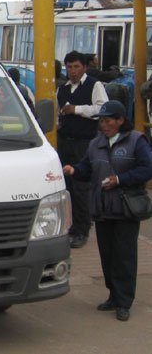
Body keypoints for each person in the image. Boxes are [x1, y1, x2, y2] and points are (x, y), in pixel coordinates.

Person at [62, 100, 152, 322]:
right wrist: (74, 170)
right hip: (102, 208)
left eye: (109, 120)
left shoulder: (136, 141)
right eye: (102, 121)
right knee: (107, 255)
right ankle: (113, 294)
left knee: (124, 256)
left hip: (125, 209)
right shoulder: (96, 144)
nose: (105, 125)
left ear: (121, 120)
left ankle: (124, 302)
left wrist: (120, 179)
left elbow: (147, 168)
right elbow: (87, 168)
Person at [57, 50, 109, 249]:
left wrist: (77, 109)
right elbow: (57, 112)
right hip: (65, 142)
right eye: (69, 67)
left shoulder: (94, 85)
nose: (73, 71)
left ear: (84, 67)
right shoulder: (62, 89)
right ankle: (71, 226)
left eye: (76, 67)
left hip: (84, 143)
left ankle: (82, 229)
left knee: (81, 188)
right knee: (67, 187)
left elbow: (102, 108)